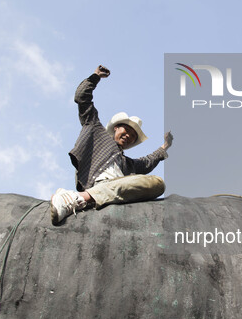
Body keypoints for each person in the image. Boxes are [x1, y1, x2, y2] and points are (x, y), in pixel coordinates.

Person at [50, 65, 173, 225]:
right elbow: (82, 98)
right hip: (99, 184)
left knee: (157, 183)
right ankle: (77, 198)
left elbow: (148, 160)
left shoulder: (127, 164)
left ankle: (84, 199)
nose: (128, 135)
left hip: (119, 188)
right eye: (127, 130)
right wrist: (95, 77)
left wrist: (165, 146)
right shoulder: (96, 129)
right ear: (116, 127)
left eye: (133, 136)